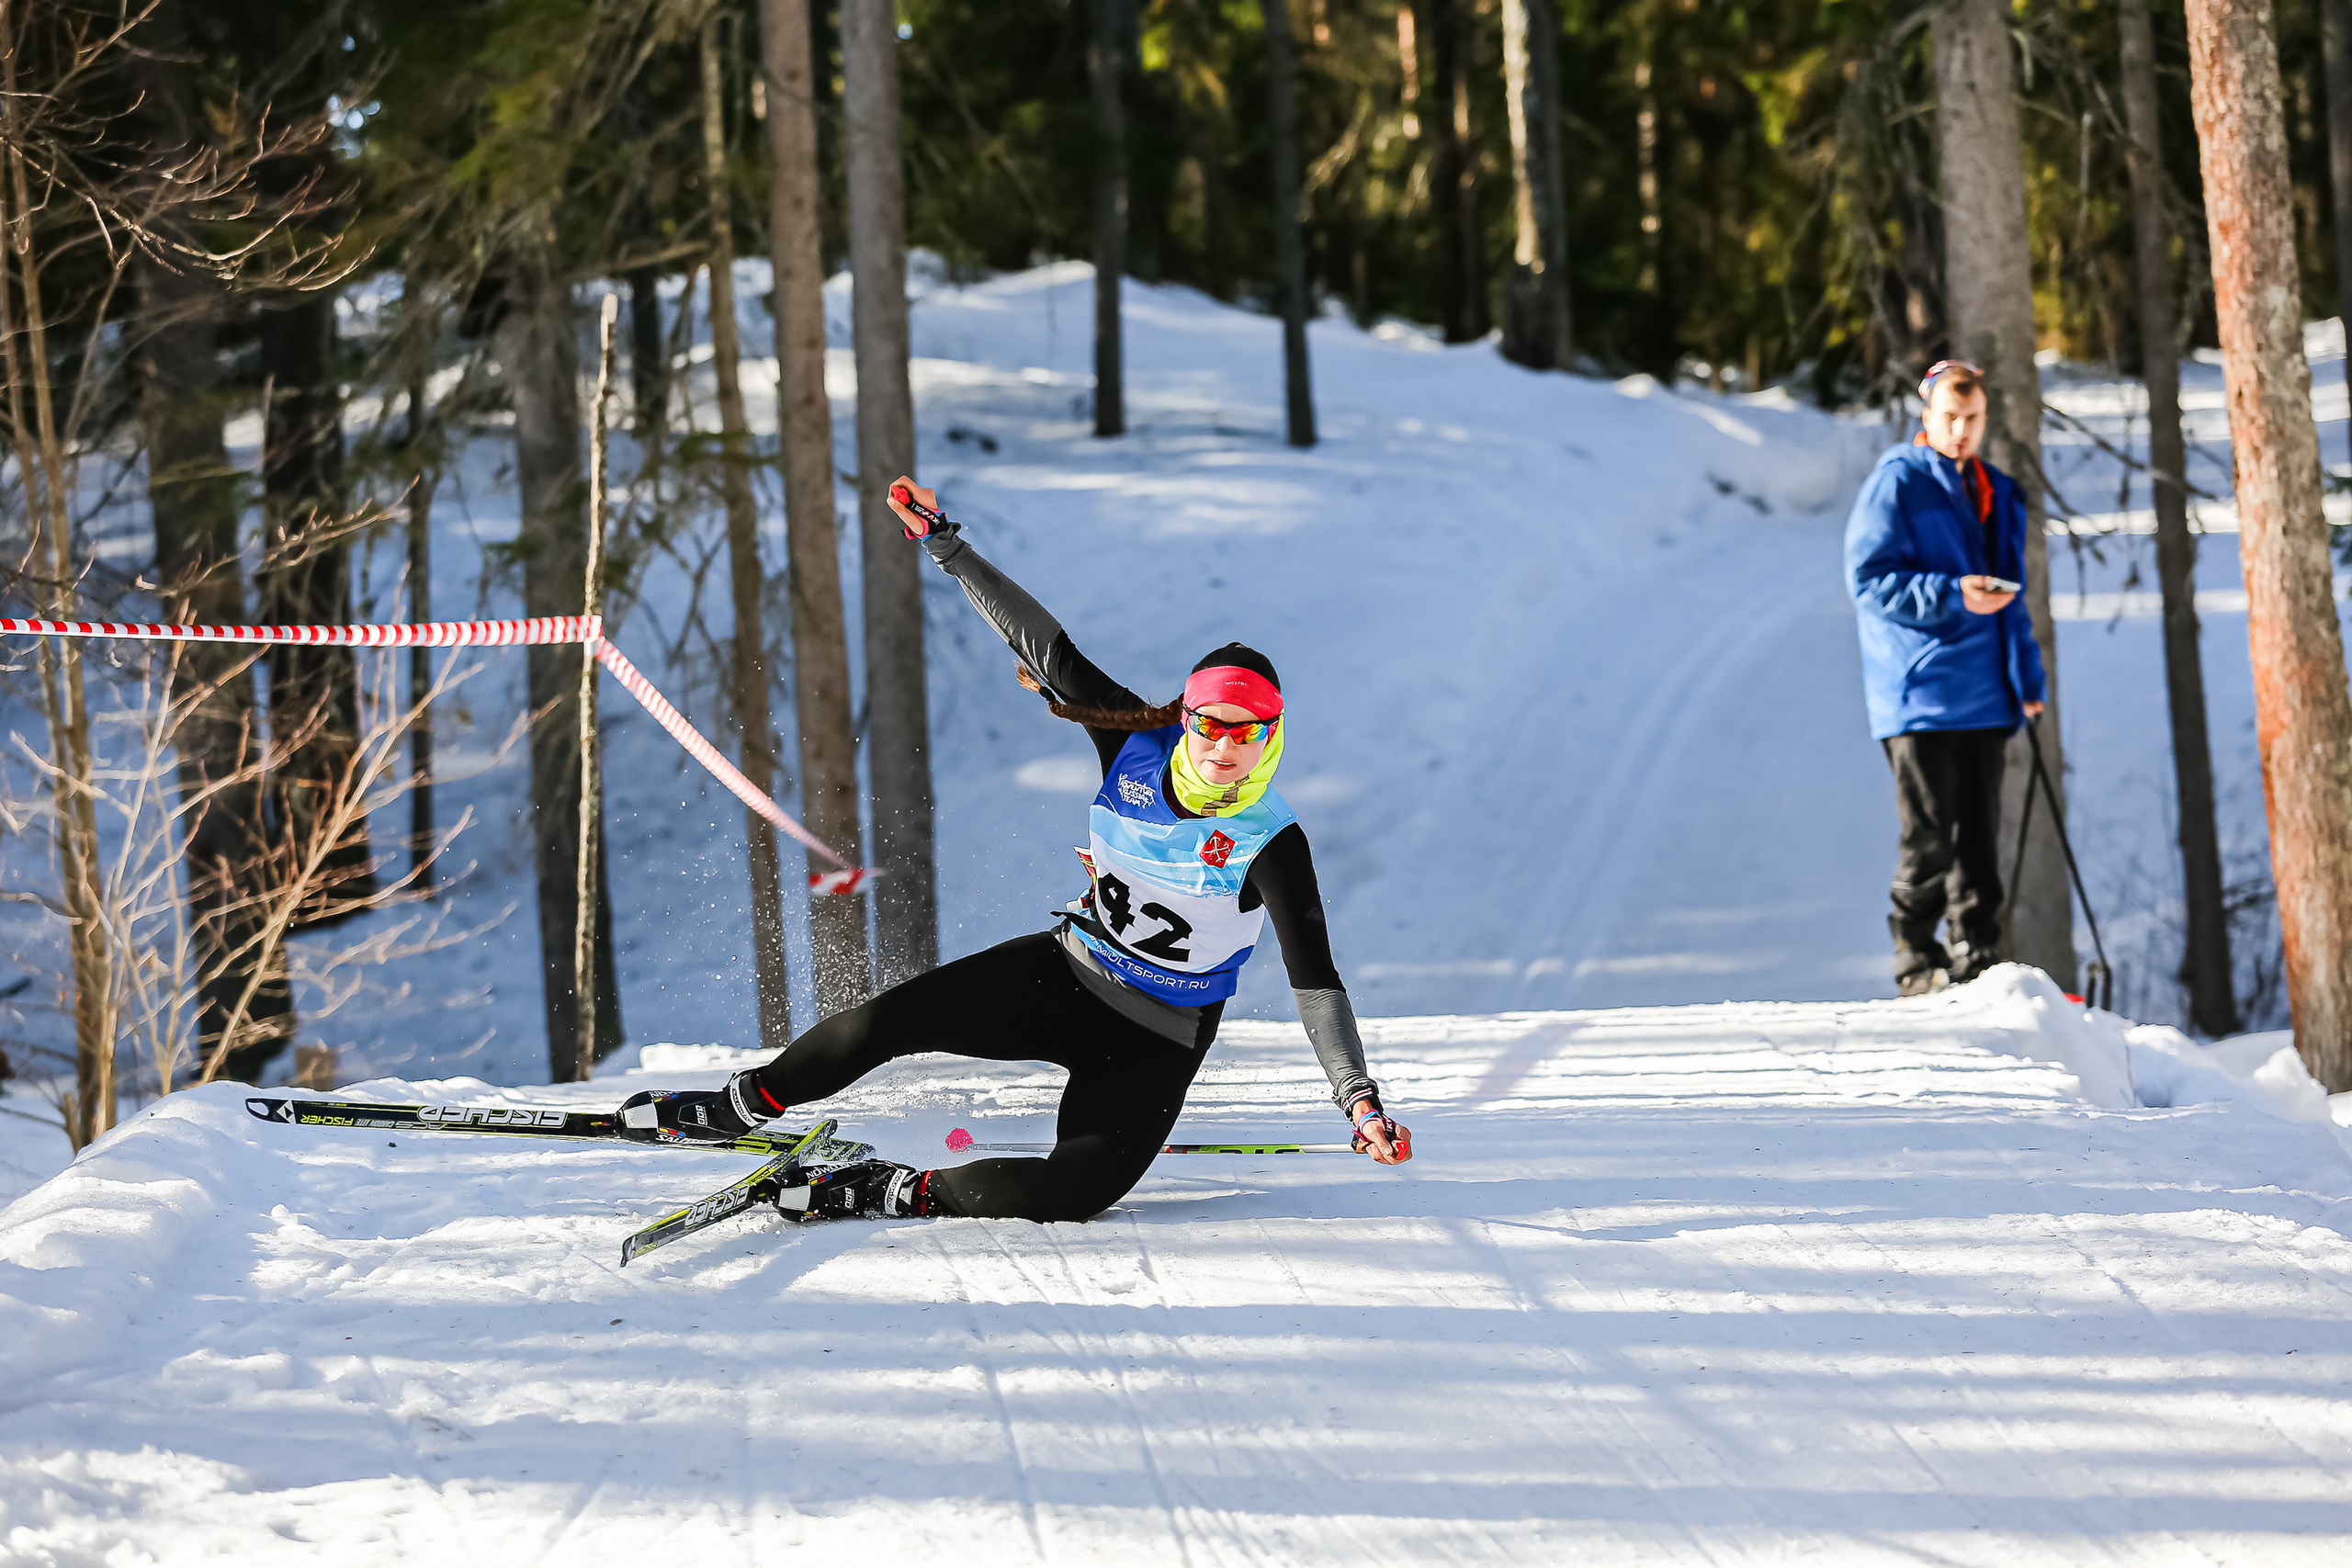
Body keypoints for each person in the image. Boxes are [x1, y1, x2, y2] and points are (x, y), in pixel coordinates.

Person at [616, 476, 1411, 1220]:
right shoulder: (1133, 739)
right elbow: (1043, 641)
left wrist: (1358, 1097)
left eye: (1249, 732)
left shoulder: (1271, 839)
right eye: (1211, 724)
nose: (1226, 746)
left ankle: (890, 1188)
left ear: (1272, 737)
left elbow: (1316, 983)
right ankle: (738, 1105)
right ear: (1187, 717)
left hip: (1157, 1036)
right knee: (885, 1022)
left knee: (1077, 1190)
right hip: (1066, 973)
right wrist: (946, 544)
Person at [1844, 361, 2047, 997]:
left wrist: (2028, 678)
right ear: (1926, 417)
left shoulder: (1995, 488)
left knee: (1980, 835)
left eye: (1973, 419)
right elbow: (1868, 581)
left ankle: (1977, 950)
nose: (1961, 430)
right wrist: (1950, 593)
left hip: (1988, 689)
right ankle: (1914, 952)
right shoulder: (1898, 482)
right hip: (1920, 692)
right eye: (1950, 418)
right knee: (1929, 834)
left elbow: (2011, 594)